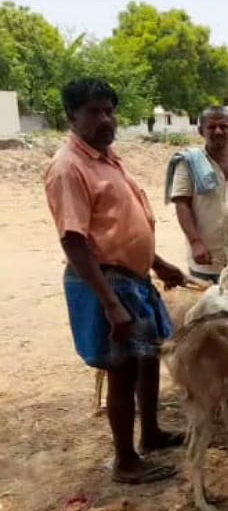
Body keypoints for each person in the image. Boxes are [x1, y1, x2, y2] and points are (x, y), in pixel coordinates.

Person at [44, 78, 184, 485]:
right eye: (94, 111)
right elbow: (75, 240)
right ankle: (126, 460)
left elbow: (121, 222)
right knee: (122, 368)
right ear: (72, 116)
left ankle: (152, 434)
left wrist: (157, 263)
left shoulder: (107, 157)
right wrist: (109, 303)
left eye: (109, 110)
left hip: (133, 279)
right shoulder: (68, 167)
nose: (105, 119)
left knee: (147, 357)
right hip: (106, 283)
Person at [167, 106, 228, 283]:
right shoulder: (188, 164)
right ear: (201, 130)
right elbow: (181, 204)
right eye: (211, 127)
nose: (218, 131)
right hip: (207, 260)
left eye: (224, 126)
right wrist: (195, 242)